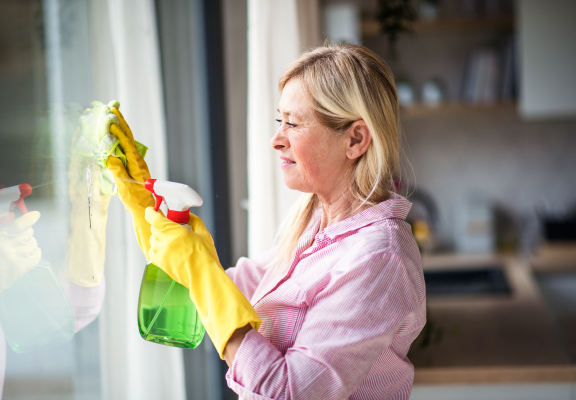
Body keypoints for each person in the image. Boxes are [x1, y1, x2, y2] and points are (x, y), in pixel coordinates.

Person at [109, 43, 426, 400]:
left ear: (355, 139)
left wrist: (200, 271)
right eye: (280, 121)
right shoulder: (316, 228)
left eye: (292, 124)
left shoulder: (377, 259)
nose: (276, 140)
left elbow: (286, 393)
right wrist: (145, 208)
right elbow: (214, 301)